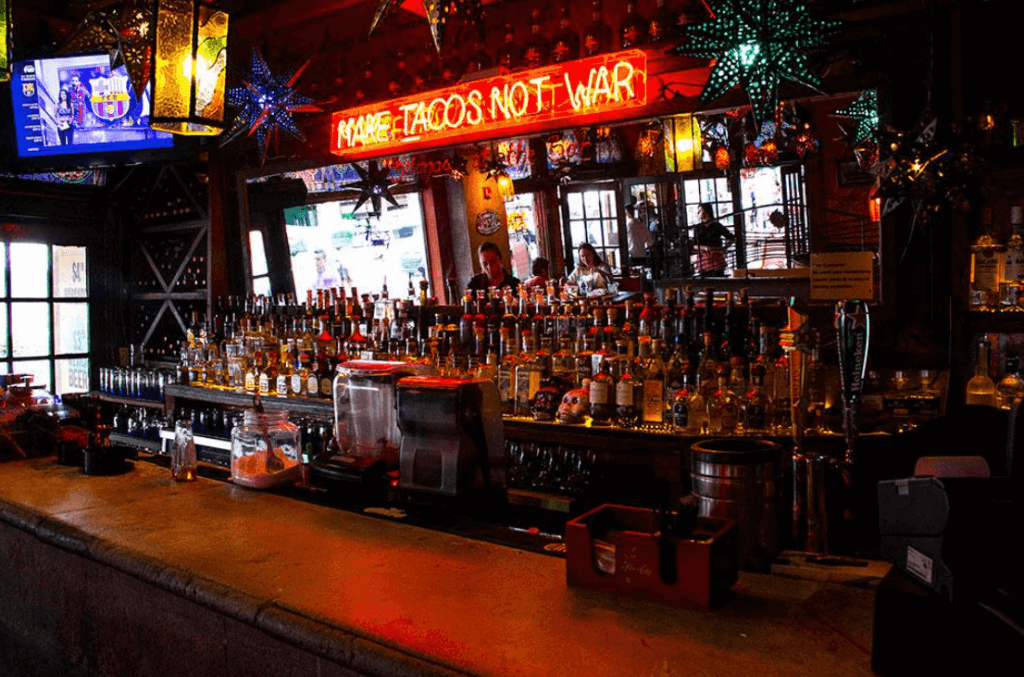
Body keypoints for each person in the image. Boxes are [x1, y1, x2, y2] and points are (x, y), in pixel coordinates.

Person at [691, 202, 735, 277]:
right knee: (705, 279)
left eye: (700, 210)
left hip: (716, 257)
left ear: (707, 211)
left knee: (718, 277)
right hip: (704, 258)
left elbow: (732, 238)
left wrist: (724, 248)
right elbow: (694, 245)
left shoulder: (717, 226)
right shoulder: (697, 227)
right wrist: (706, 248)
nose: (698, 213)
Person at [67, 74, 89, 142]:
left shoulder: (83, 91)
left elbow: (88, 97)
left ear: (79, 82)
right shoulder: (69, 92)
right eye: (73, 81)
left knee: (83, 132)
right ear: (71, 82)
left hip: (82, 114)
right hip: (74, 115)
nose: (74, 83)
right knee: (75, 134)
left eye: (76, 81)